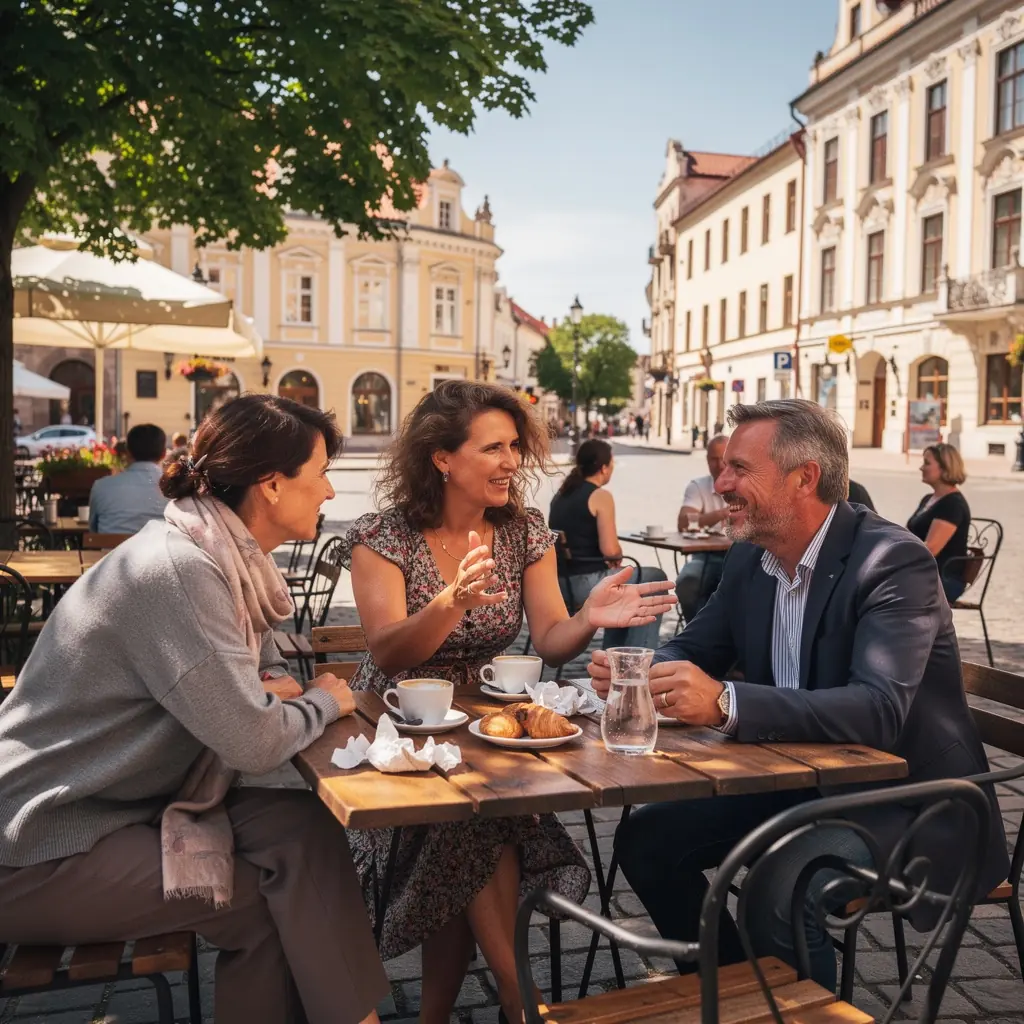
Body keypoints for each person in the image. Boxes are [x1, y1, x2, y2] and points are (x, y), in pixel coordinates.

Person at [587, 399, 1007, 992]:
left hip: (909, 801)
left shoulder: (891, 560)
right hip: (794, 780)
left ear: (804, 477)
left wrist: (726, 703)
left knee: (780, 886)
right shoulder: (751, 556)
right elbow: (697, 646)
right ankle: (739, 994)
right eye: (723, 468)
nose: (721, 484)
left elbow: (878, 710)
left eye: (739, 469)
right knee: (646, 841)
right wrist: (639, 672)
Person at [0, 394, 389, 1024]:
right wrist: (326, 699)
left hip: (130, 803)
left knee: (306, 830)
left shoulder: (219, 554)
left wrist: (263, 694)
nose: (327, 492)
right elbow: (255, 741)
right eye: (321, 474)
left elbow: (257, 683)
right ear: (270, 484)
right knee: (259, 904)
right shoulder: (181, 571)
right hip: (38, 843)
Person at [346, 380, 675, 1024]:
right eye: (493, 448)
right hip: (399, 729)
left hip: (488, 727)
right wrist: (451, 602)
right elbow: (387, 651)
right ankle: (519, 997)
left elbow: (550, 639)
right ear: (443, 458)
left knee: (473, 823)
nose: (511, 462)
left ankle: (461, 1010)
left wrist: (587, 617)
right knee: (476, 823)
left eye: (515, 447)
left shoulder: (523, 531)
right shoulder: (383, 535)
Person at [549, 438, 670, 649]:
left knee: (622, 585)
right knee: (655, 576)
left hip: (560, 583)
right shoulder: (600, 496)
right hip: (585, 583)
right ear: (604, 468)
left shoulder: (561, 494)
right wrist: (617, 555)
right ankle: (638, 655)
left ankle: (615, 655)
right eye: (612, 464)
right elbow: (611, 551)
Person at [674, 434, 729, 622]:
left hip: (742, 556)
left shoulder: (747, 484)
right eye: (714, 459)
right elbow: (684, 523)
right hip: (705, 555)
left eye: (724, 459)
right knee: (688, 581)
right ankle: (696, 631)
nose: (719, 465)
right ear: (706, 460)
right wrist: (721, 514)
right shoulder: (699, 486)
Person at [907, 443, 971, 604]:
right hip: (920, 572)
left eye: (927, 463)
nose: (921, 468)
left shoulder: (952, 504)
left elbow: (930, 549)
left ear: (944, 468)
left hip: (943, 578)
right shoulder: (928, 499)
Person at [88, 424, 170, 533]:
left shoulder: (101, 487)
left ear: (127, 452)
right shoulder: (176, 489)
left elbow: (93, 531)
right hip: (161, 544)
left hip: (114, 545)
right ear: (164, 454)